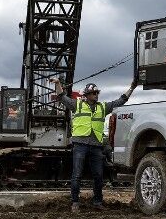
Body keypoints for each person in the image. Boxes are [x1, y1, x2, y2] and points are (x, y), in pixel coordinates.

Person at [50, 78, 137, 212]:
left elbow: (121, 100)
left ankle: (97, 202)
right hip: (80, 145)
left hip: (96, 146)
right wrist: (57, 83)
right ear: (87, 95)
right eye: (93, 93)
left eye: (97, 93)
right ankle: (75, 202)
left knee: (98, 175)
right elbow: (62, 97)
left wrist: (132, 88)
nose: (96, 95)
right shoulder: (77, 105)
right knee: (77, 174)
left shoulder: (103, 107)